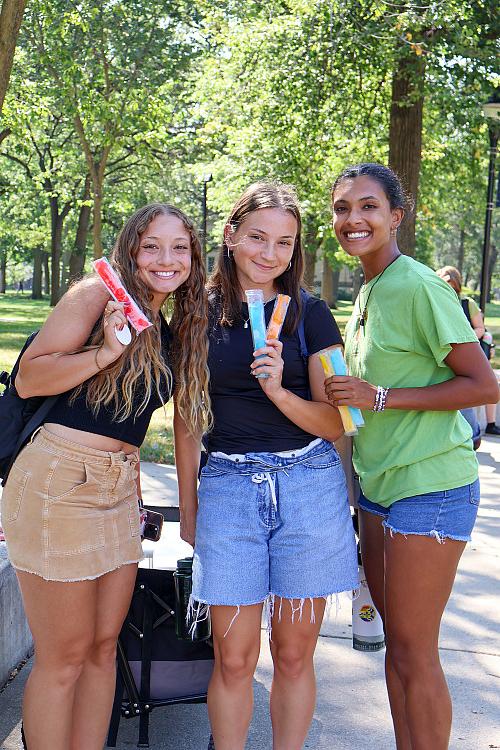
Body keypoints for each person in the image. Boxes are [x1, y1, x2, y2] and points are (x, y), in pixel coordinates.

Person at [1, 203, 210, 750]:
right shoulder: (96, 296)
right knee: (64, 656)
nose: (167, 259)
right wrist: (104, 352)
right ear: (131, 249)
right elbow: (29, 378)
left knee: (102, 648)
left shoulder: (174, 325)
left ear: (195, 256)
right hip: (58, 481)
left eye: (180, 248)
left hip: (118, 489)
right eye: (152, 247)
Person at [174, 181, 358, 750]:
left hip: (308, 486)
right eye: (257, 237)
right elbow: (185, 421)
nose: (269, 254)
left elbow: (339, 422)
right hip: (227, 488)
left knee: (295, 652)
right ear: (230, 237)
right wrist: (189, 509)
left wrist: (279, 392)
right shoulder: (194, 315)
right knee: (233, 657)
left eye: (284, 242)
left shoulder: (313, 314)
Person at [325, 163, 499, 750]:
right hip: (378, 488)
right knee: (395, 645)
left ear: (396, 217)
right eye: (343, 208)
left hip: (430, 488)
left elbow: (483, 383)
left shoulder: (419, 285)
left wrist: (381, 397)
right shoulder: (370, 288)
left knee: (416, 650)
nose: (354, 219)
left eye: (369, 206)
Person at [436, 265, 500, 438]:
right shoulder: (434, 301)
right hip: (441, 356)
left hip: (464, 354)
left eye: (451, 283)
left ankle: (477, 432)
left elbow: (480, 328)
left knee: (471, 389)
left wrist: (461, 338)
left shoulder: (466, 303)